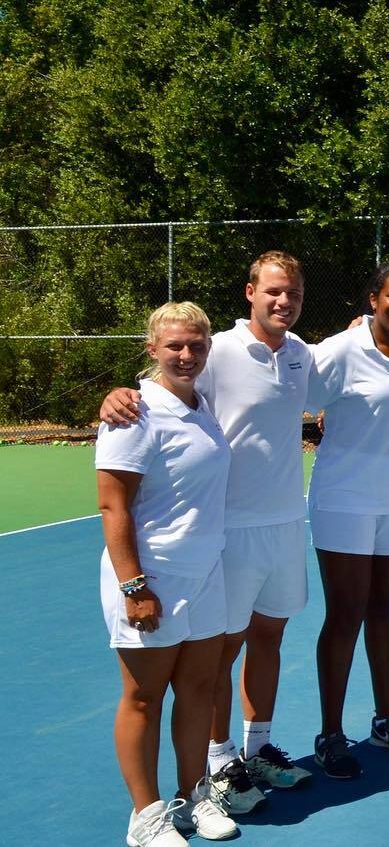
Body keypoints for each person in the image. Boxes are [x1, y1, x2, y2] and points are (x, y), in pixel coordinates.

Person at [99, 252, 316, 812]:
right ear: (250, 292)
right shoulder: (216, 349)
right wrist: (118, 394)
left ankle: (257, 749)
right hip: (228, 532)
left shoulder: (301, 354)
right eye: (273, 291)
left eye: (292, 292)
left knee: (269, 639)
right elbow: (164, 382)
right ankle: (219, 763)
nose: (283, 301)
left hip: (284, 525)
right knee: (218, 657)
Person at [97, 302, 237, 846]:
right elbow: (113, 506)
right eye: (174, 345)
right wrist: (135, 587)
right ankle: (146, 817)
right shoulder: (134, 414)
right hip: (151, 579)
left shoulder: (201, 405)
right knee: (144, 698)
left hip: (205, 575)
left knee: (199, 689)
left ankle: (194, 797)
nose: (186, 355)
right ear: (152, 348)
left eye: (196, 345)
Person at [308, 261, 389, 777]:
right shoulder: (340, 349)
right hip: (344, 502)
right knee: (346, 614)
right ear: (373, 299)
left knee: (385, 611)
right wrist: (140, 388)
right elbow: (283, 383)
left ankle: (385, 719)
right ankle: (331, 735)